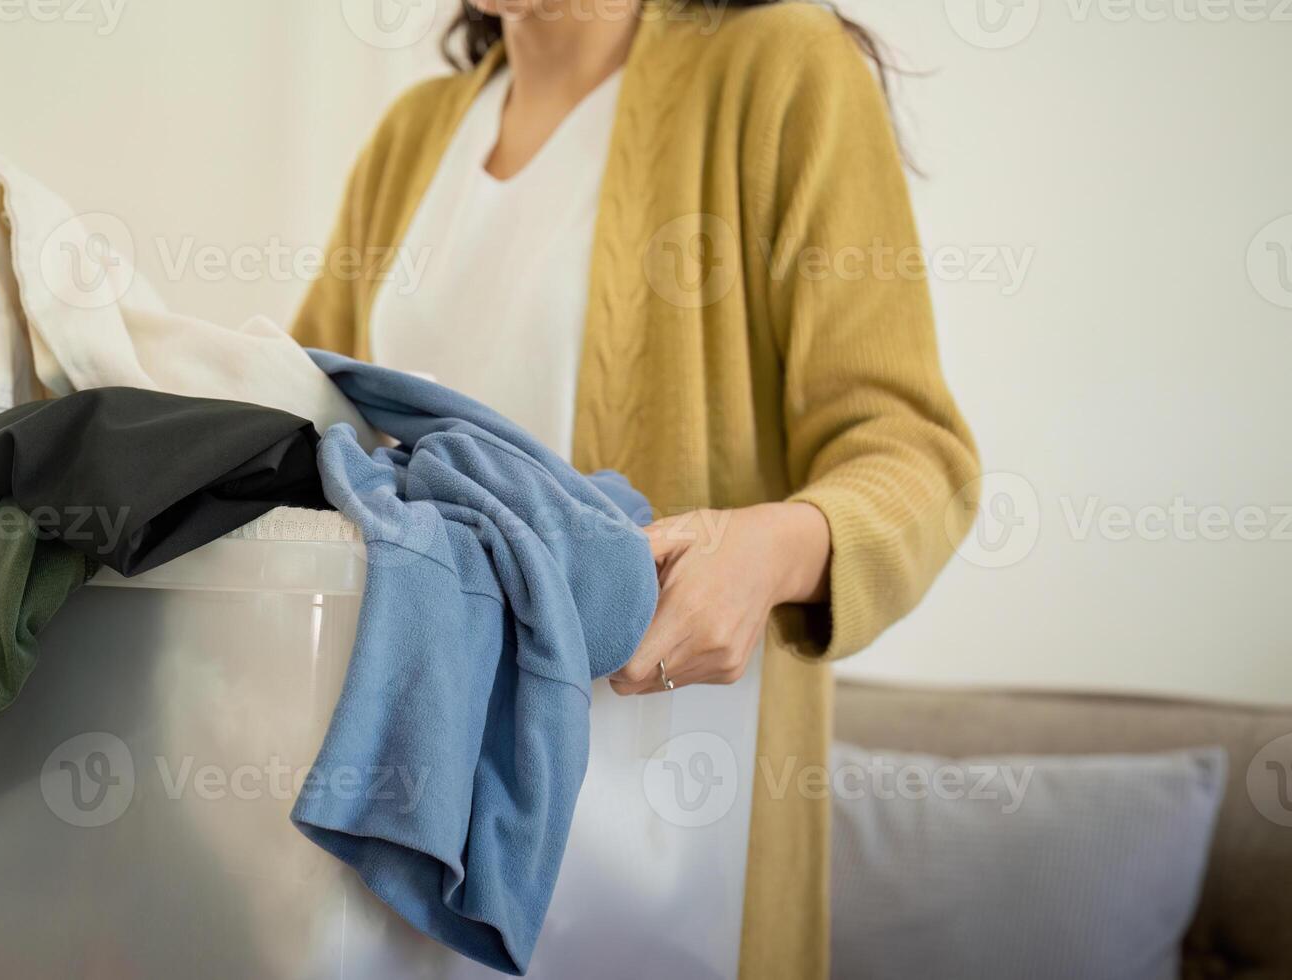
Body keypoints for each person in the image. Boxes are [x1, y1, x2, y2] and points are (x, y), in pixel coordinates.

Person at [292, 1, 982, 975]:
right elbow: (309, 422)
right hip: (419, 789)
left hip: (664, 803)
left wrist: (764, 551)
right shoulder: (416, 132)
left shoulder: (781, 68)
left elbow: (916, 454)